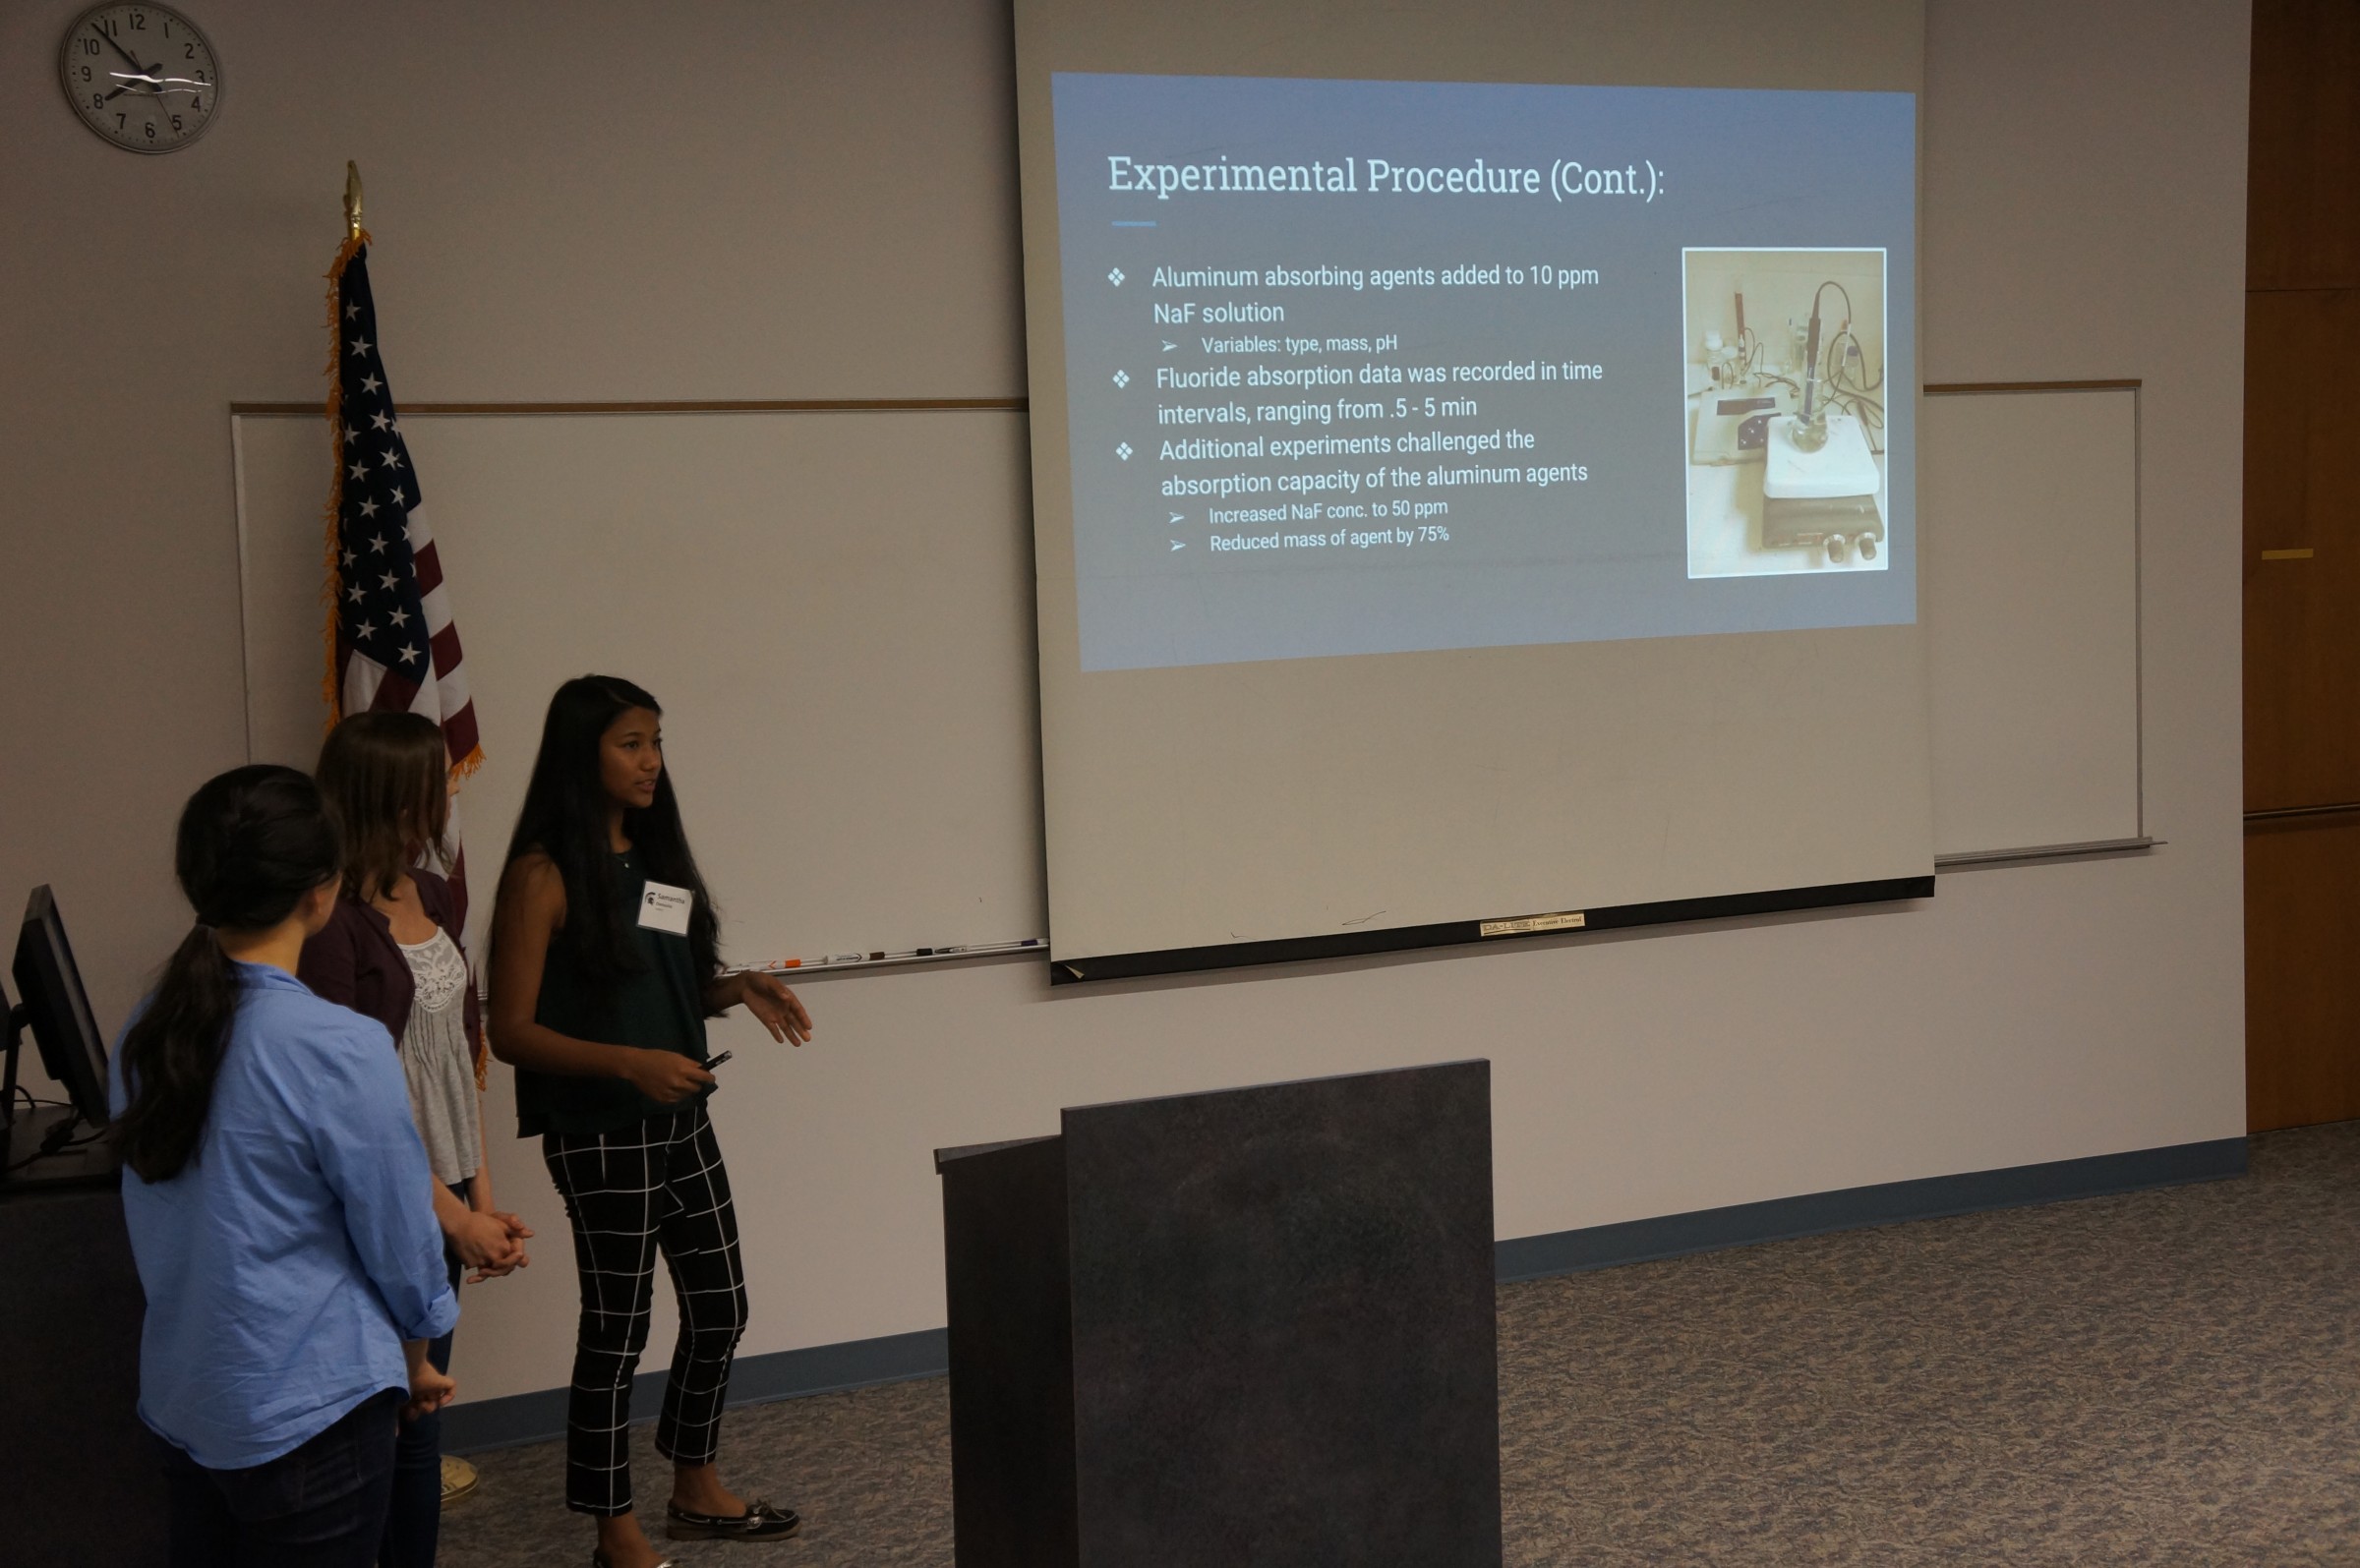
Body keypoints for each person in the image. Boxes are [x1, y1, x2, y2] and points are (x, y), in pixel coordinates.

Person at [489, 675, 813, 1568]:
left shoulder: (655, 862)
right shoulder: (542, 875)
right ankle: (613, 1529)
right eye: (631, 743)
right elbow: (510, 1029)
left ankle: (695, 1486)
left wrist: (734, 988)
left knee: (721, 1306)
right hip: (601, 1131)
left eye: (657, 742)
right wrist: (628, 1063)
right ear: (581, 753)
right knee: (619, 1327)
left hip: (680, 1120)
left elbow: (666, 991)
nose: (651, 763)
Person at [112, 765, 458, 1567]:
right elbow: (402, 1238)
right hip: (312, 1417)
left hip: (189, 1399)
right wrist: (420, 1355)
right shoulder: (337, 1044)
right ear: (322, 890)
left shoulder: (147, 1028)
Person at [302, 711, 535, 1568]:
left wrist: (480, 1200)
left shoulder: (431, 891)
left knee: (422, 1424)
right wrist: (445, 1215)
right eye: (425, 788)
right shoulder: (330, 924)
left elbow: (454, 1059)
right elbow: (356, 1113)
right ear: (379, 796)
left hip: (440, 1196)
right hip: (384, 1203)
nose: (439, 804)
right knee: (395, 1427)